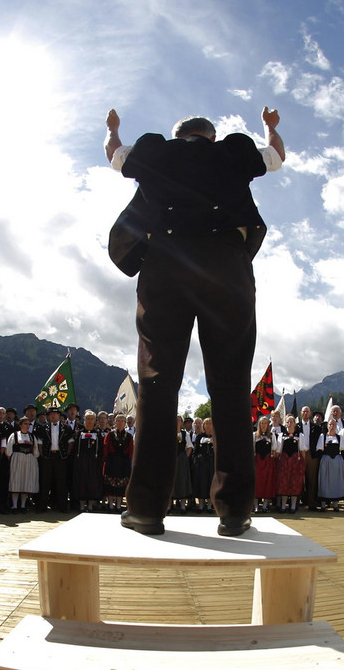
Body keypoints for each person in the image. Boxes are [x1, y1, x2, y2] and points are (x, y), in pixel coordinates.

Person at [105, 105, 284, 536]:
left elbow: (114, 153)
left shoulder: (155, 151)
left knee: (156, 385)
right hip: (227, 266)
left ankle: (146, 509)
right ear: (211, 136)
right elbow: (276, 156)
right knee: (230, 386)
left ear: (176, 135)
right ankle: (235, 510)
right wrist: (270, 127)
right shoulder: (235, 151)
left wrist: (112, 128)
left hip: (166, 263)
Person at [5, 416, 40, 513]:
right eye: (25, 424)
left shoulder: (32, 436)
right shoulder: (14, 435)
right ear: (20, 425)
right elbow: (8, 449)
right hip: (17, 459)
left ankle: (23, 505)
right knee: (16, 481)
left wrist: (33, 458)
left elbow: (36, 450)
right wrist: (11, 457)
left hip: (29, 460)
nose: (27, 426)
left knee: (26, 481)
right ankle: (15, 506)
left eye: (29, 424)